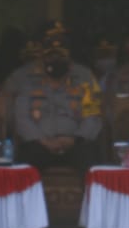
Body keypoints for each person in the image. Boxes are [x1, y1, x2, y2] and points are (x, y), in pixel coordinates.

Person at [13, 32, 103, 178]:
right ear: (42, 59)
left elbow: (93, 116)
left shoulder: (84, 80)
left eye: (61, 56)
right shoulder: (29, 82)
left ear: (69, 59)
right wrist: (43, 141)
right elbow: (21, 117)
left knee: (90, 156)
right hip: (40, 144)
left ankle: (90, 200)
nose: (56, 60)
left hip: (75, 144)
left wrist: (74, 139)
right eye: (51, 57)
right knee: (26, 159)